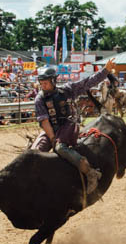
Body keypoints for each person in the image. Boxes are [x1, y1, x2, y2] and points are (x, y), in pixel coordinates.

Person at [32, 57, 118, 193]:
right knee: (33, 153)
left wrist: (105, 71)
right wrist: (52, 137)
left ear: (53, 81)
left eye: (45, 83)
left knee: (60, 148)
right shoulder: (40, 99)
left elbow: (88, 82)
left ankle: (91, 173)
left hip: (68, 125)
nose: (43, 86)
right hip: (51, 129)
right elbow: (44, 122)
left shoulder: (67, 90)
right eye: (41, 83)